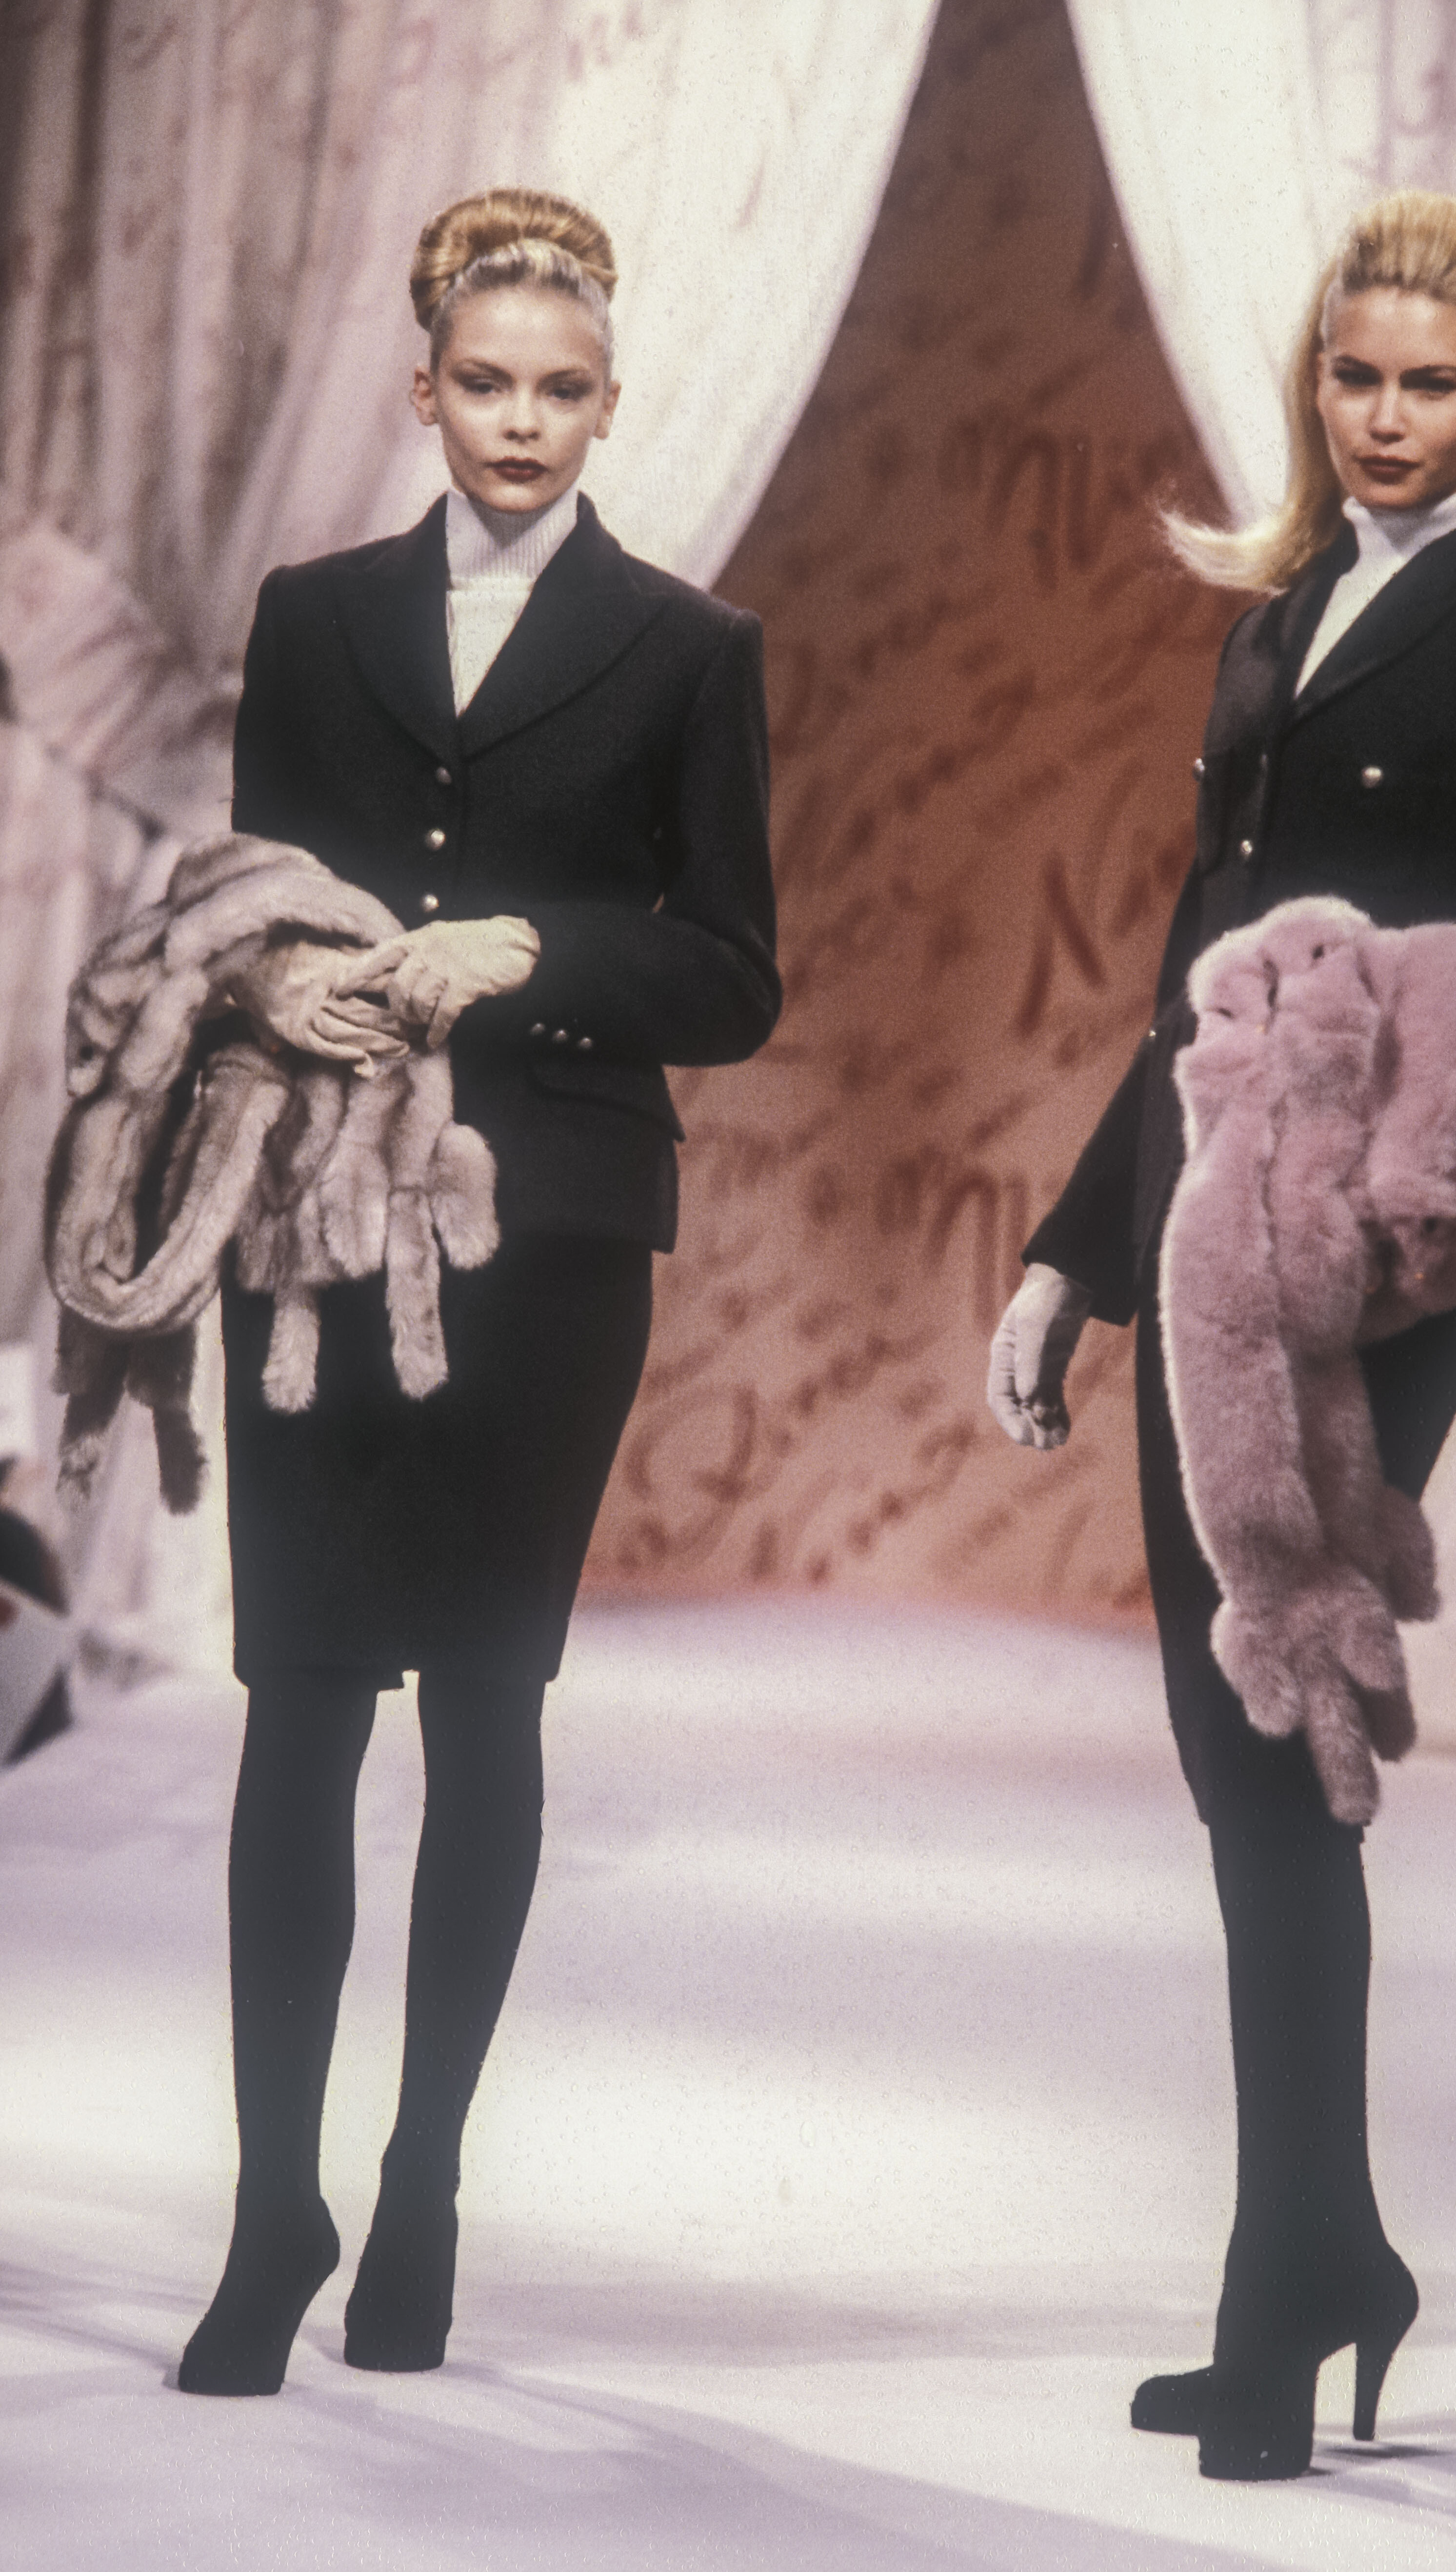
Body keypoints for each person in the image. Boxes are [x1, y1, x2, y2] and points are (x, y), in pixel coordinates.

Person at [988, 190, 1456, 2481]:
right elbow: (1200, 972)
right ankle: (1325, 2253)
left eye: (1430, 383)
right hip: (1205, 1216)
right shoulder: (1279, 625)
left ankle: (1288, 2295)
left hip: (1393, 1226)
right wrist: (1068, 1254)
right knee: (1229, 1738)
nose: (1384, 417)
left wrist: (1383, 1006)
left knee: (1273, 1727)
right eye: (1355, 376)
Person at [178, 187, 780, 2395]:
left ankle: (422, 2175)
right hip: (312, 1217)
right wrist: (276, 985)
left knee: (486, 1704)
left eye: (563, 389)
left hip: (551, 1235)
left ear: (613, 405)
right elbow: (247, 891)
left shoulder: (689, 647)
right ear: (422, 387)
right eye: (487, 383)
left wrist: (533, 953)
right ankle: (274, 2209)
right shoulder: (313, 613)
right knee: (299, 1700)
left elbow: (737, 974)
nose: (522, 422)